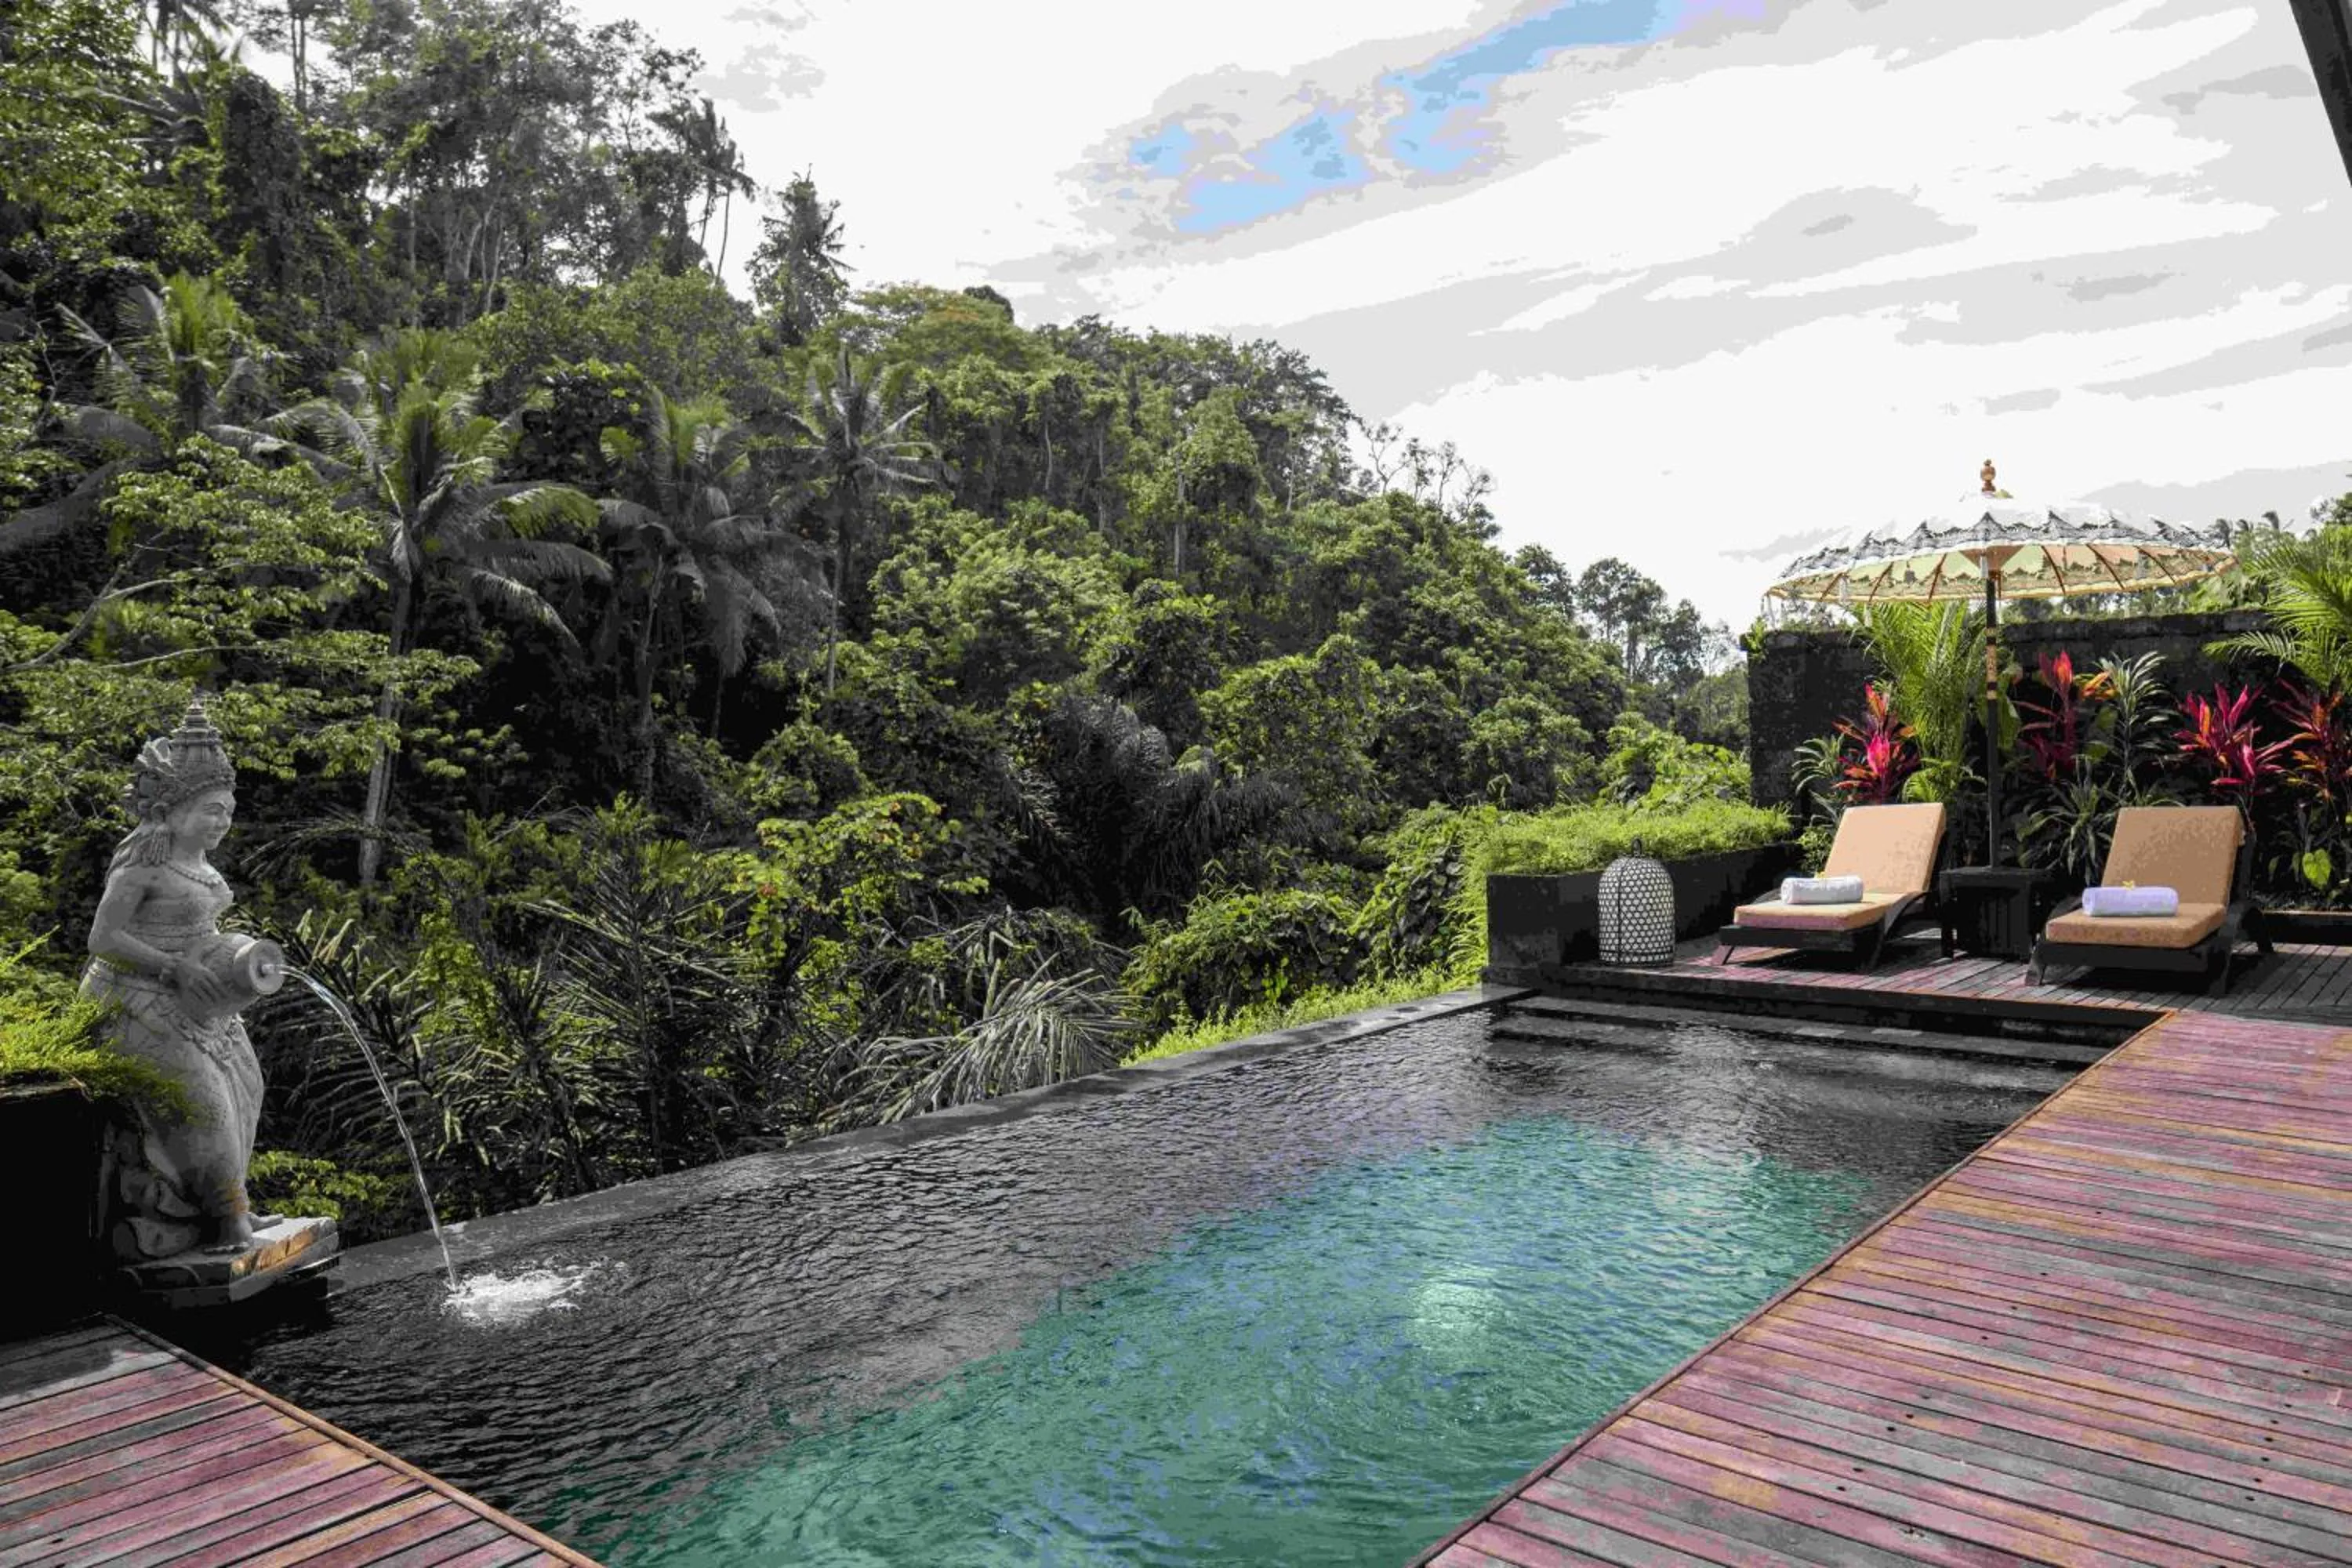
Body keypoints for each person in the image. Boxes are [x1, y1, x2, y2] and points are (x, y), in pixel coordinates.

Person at [82, 696, 267, 1258]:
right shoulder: (144, 860)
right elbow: (103, 939)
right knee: (203, 1104)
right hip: (134, 998)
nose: (223, 820)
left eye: (227, 809)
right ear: (175, 809)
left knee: (248, 1086)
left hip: (199, 1001)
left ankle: (231, 1202)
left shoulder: (201, 866)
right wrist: (172, 966)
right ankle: (226, 1222)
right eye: (211, 809)